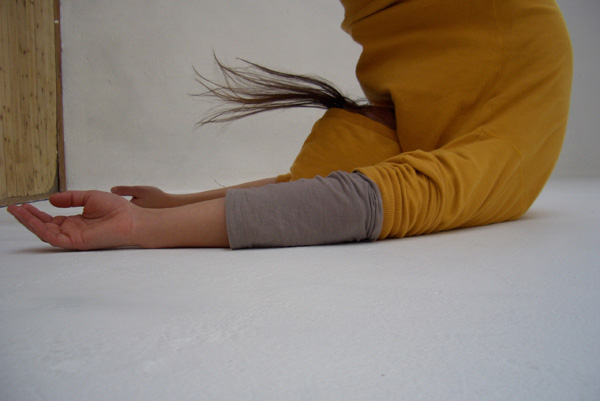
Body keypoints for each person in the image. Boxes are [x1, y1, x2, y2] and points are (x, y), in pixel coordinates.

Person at [7, 0, 573, 250]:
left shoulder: (450, 147)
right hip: (504, 36)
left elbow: (313, 197)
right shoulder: (500, 159)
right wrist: (151, 222)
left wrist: (158, 214)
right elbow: (346, 203)